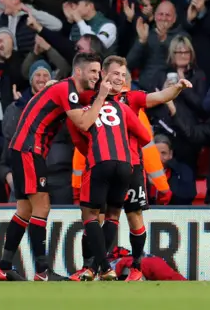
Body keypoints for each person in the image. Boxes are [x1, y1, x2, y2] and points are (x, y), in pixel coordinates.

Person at [71, 58, 191, 282]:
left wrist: (177, 88)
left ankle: (135, 266)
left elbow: (159, 97)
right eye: (115, 73)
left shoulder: (131, 97)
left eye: (123, 75)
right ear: (103, 75)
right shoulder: (91, 97)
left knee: (133, 216)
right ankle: (91, 266)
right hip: (103, 164)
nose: (120, 79)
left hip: (132, 164)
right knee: (96, 217)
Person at [0, 52, 111, 282]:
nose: (97, 76)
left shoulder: (66, 88)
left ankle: (4, 267)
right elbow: (84, 123)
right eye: (94, 71)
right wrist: (102, 97)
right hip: (30, 149)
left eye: (99, 72)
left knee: (25, 210)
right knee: (42, 206)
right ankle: (42, 271)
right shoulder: (67, 90)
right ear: (78, 71)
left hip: (23, 149)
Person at [67, 64, 152, 281]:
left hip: (100, 163)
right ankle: (98, 267)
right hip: (126, 165)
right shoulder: (123, 109)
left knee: (90, 215)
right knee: (114, 215)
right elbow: (145, 135)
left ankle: (102, 267)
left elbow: (79, 139)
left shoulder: (81, 111)